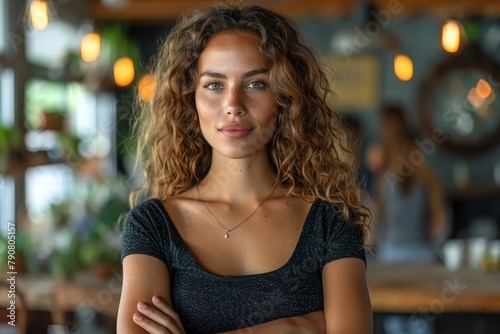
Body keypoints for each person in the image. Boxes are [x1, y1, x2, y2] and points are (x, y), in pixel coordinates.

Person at [117, 3, 372, 333]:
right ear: (189, 97)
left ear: (285, 97)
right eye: (214, 85)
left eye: (256, 84)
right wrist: (303, 325)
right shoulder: (151, 225)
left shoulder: (331, 221)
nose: (233, 106)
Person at [366, 106, 449, 334]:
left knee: (395, 322)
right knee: (422, 321)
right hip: (424, 255)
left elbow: (376, 218)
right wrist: (435, 247)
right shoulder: (423, 162)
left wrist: (376, 252)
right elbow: (441, 218)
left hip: (392, 256)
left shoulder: (382, 165)